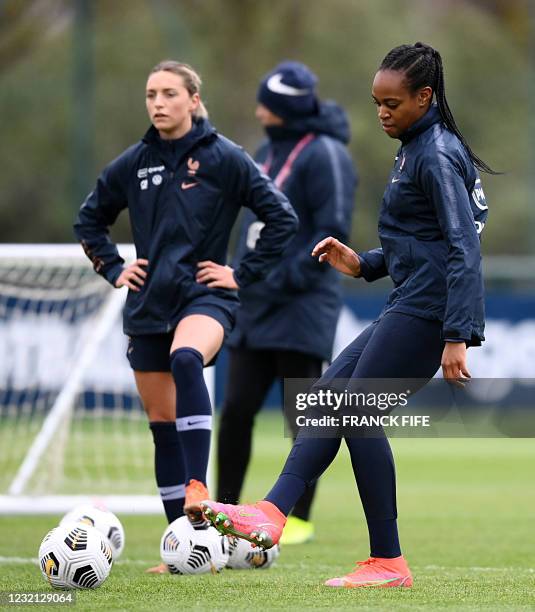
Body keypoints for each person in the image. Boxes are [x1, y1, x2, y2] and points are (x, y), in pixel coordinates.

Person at [201, 42, 494, 587]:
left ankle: (388, 560)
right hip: (412, 299)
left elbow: (462, 247)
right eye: (377, 102)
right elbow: (424, 241)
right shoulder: (418, 145)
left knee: (355, 410)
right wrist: (363, 264)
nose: (382, 112)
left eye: (392, 102)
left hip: (430, 311)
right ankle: (271, 513)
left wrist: (459, 334)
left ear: (425, 97)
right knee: (327, 401)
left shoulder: (433, 152)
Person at [73, 60, 298, 572]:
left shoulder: (225, 158)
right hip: (147, 303)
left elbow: (281, 216)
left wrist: (242, 272)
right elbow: (89, 219)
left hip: (205, 297)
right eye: (151, 93)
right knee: (161, 426)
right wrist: (112, 267)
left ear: (193, 100)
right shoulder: (133, 162)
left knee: (187, 357)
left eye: (169, 93)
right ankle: (183, 544)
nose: (158, 102)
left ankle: (200, 486)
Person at [214, 61, 358, 545]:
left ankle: (297, 518)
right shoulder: (265, 150)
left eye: (267, 102)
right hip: (256, 305)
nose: (258, 110)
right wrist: (242, 275)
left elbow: (332, 229)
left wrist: (281, 278)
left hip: (302, 306)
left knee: (305, 416)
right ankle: (225, 508)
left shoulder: (327, 154)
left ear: (285, 108)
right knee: (235, 409)